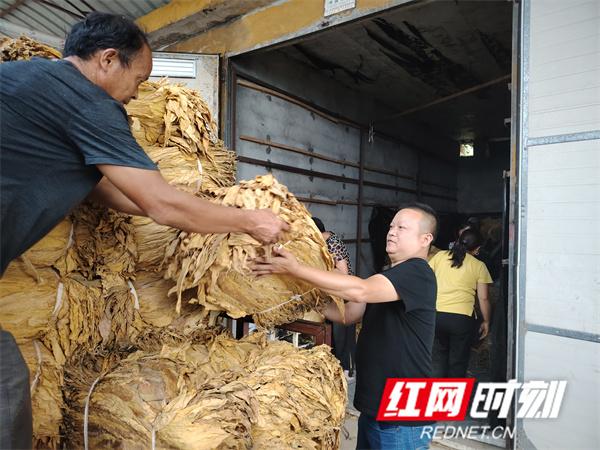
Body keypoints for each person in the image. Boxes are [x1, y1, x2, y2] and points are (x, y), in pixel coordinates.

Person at [0, 13, 288, 448]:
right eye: (139, 79)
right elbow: (161, 202)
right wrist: (249, 220)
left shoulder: (22, 80)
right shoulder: (87, 103)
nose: (135, 96)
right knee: (6, 389)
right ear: (108, 60)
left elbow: (111, 194)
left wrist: (199, 214)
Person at [254, 203, 438, 450]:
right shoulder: (388, 276)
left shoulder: (418, 273)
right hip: (375, 405)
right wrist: (294, 297)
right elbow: (348, 314)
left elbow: (359, 289)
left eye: (402, 228)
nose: (391, 232)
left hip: (403, 413)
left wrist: (297, 269)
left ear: (425, 239)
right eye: (392, 226)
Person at [428, 229, 492, 378]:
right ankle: (454, 398)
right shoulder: (479, 265)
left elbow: (426, 281)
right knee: (457, 362)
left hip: (436, 317)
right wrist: (487, 321)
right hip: (461, 320)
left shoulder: (440, 256)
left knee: (438, 359)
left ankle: (436, 397)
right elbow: (483, 298)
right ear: (477, 250)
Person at [311, 217, 356, 376]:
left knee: (342, 334)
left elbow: (342, 272)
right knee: (335, 335)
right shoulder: (324, 243)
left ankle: (347, 370)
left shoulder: (333, 243)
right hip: (333, 294)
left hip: (343, 294)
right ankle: (338, 366)